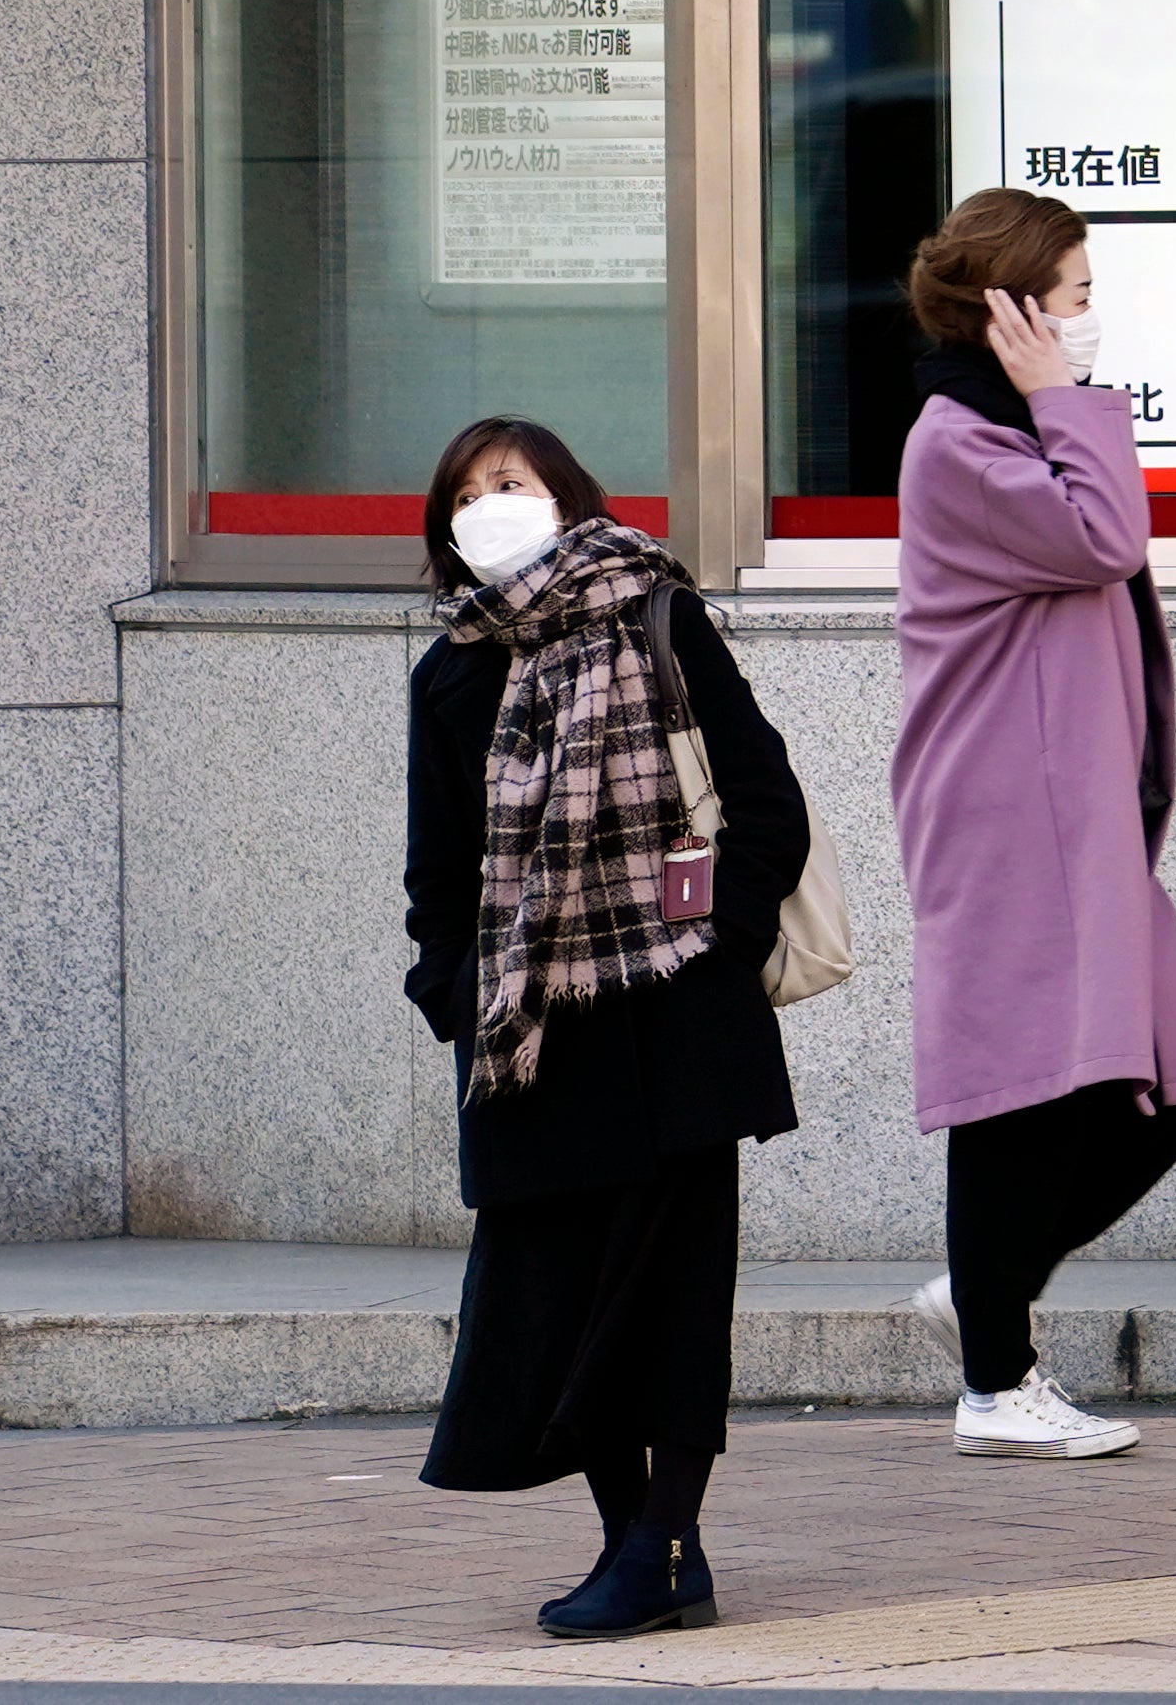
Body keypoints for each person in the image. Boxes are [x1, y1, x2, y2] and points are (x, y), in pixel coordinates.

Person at [403, 416, 811, 1640]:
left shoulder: (659, 617)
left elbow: (767, 804)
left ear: (568, 496)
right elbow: (441, 873)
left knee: (676, 1294)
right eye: (467, 493)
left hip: (673, 1017)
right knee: (564, 1302)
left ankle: (666, 1540)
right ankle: (634, 1543)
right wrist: (456, 995)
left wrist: (711, 950)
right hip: (533, 1032)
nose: (490, 506)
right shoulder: (452, 674)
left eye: (511, 482)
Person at [889, 187, 1176, 1459]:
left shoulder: (1007, 428)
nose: (1092, 325)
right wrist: (1066, 401)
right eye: (1075, 299)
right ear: (1011, 311)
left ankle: (987, 1298)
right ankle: (995, 1380)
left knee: (1175, 1081)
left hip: (1069, 804)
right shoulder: (960, 441)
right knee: (1014, 1092)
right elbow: (1105, 535)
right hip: (1000, 803)